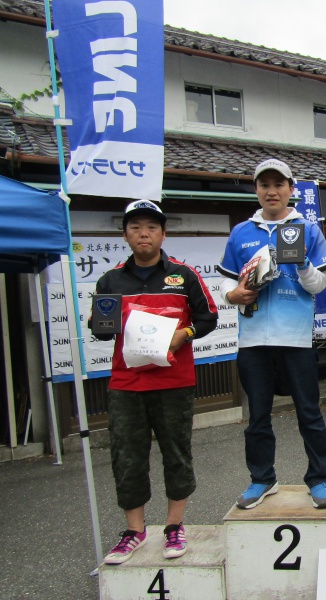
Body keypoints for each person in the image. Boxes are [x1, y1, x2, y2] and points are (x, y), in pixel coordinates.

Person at [94, 200, 219, 564]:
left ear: (163, 234)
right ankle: (134, 530)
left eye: (151, 227)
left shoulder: (184, 275)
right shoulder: (110, 279)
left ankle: (174, 525)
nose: (143, 233)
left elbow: (208, 317)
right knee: (127, 458)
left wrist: (185, 334)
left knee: (176, 454)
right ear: (125, 235)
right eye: (135, 228)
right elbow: (102, 334)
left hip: (173, 382)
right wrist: (99, 322)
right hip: (126, 386)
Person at [218, 158, 326, 510]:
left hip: (296, 338)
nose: (271, 191)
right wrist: (231, 294)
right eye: (264, 185)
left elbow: (319, 284)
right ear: (256, 190)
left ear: (291, 190)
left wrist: (301, 264)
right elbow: (225, 279)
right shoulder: (241, 232)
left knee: (308, 412)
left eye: (279, 184)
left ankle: (319, 479)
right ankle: (262, 479)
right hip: (253, 339)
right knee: (257, 416)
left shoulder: (308, 229)